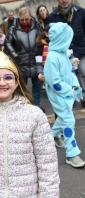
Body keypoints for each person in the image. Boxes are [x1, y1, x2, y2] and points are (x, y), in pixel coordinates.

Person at [0, 51, 60, 197]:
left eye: (8, 78)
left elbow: (47, 163)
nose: (2, 83)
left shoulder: (34, 115)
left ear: (17, 82)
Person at [44, 22, 85, 167]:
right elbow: (54, 82)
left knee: (63, 118)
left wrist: (75, 85)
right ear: (62, 38)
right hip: (59, 95)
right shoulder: (52, 57)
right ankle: (72, 154)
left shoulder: (61, 54)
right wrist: (70, 89)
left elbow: (69, 73)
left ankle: (50, 136)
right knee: (69, 121)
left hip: (66, 94)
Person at [45, 0, 85, 107]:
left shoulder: (81, 12)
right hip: (62, 52)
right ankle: (70, 98)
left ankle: (83, 97)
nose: (64, 0)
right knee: (66, 75)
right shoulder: (52, 17)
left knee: (82, 72)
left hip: (80, 49)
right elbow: (49, 35)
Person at [4, 7, 44, 111]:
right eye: (22, 19)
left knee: (37, 85)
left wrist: (40, 52)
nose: (24, 21)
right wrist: (15, 55)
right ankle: (24, 106)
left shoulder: (37, 26)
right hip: (21, 60)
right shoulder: (13, 28)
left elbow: (42, 39)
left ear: (30, 17)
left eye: (26, 19)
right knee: (21, 86)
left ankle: (36, 106)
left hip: (36, 60)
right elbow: (7, 43)